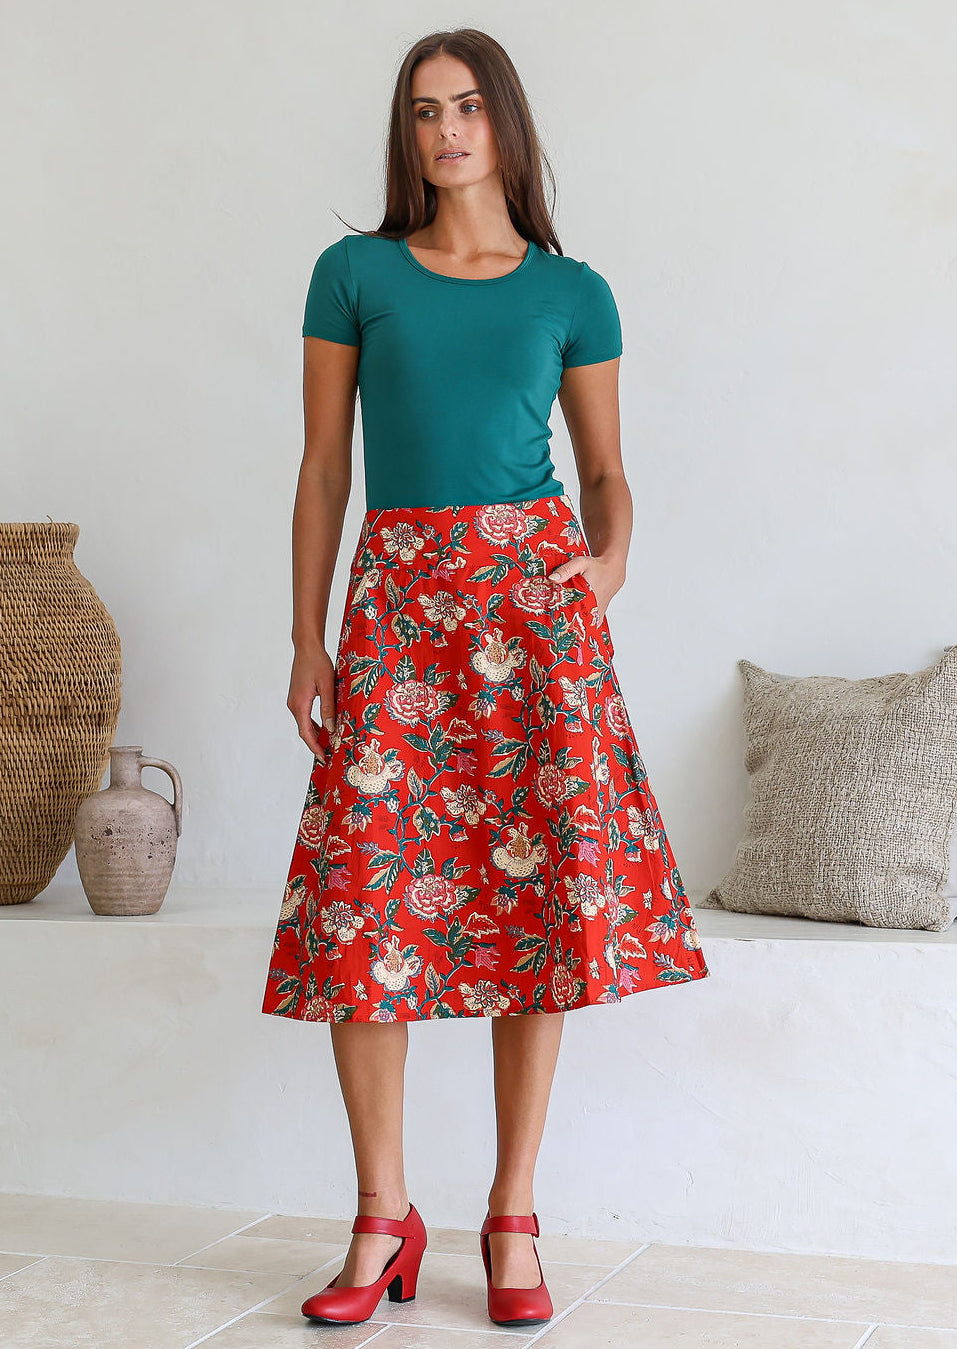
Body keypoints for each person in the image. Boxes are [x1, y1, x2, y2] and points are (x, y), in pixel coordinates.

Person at [261, 26, 710, 1331]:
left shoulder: (572, 291)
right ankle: (380, 1214)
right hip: (398, 610)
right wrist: (307, 637)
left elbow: (608, 473)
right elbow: (322, 471)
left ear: (503, 123)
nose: (445, 130)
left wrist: (608, 562)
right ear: (405, 137)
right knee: (366, 908)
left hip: (534, 617)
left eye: (465, 107)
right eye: (421, 113)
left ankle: (510, 1213)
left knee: (535, 905)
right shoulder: (352, 273)